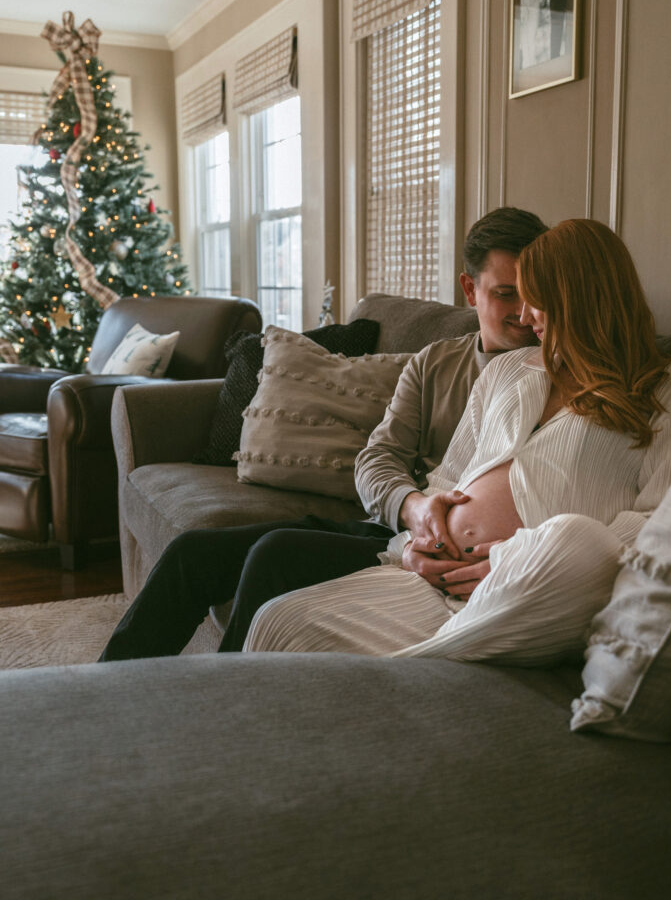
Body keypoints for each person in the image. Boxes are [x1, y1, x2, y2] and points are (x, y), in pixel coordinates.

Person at [100, 207, 548, 661]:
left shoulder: (561, 378)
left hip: (435, 551)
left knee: (276, 554)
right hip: (394, 528)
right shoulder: (435, 364)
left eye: (536, 293)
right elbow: (377, 458)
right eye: (506, 294)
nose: (524, 312)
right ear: (470, 289)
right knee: (192, 554)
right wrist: (411, 507)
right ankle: (103, 696)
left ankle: (228, 699)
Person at [242, 220, 671, 664]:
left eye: (537, 299)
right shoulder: (508, 371)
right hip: (441, 583)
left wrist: (516, 562)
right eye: (516, 297)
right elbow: (446, 482)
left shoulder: (668, 393)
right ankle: (437, 659)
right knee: (278, 620)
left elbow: (656, 527)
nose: (526, 316)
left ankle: (426, 659)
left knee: (575, 539)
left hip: (544, 582)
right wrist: (415, 547)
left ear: (580, 299)